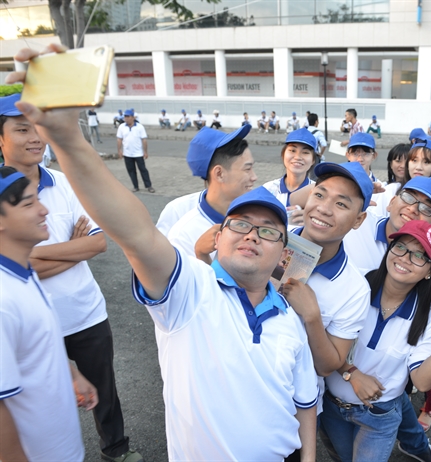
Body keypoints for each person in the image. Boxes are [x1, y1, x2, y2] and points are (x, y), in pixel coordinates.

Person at [10, 43, 319, 459]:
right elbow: (134, 232)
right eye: (240, 224)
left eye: (268, 231)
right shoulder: (193, 291)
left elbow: (304, 408)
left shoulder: (289, 321)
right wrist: (67, 138)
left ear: (284, 253)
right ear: (218, 235)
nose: (251, 235)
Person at [320, 219, 431, 462]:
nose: (405, 258)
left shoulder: (428, 319)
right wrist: (351, 373)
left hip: (379, 415)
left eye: (419, 255)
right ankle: (419, 447)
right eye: (401, 247)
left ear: (429, 272)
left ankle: (418, 447)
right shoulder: (353, 286)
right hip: (331, 405)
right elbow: (317, 338)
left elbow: (422, 381)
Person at [0, 166, 98, 462]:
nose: (44, 210)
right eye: (29, 204)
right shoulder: (3, 297)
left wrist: (71, 373)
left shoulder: (23, 272)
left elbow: (35, 343)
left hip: (61, 447)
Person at [280, 161, 374, 461]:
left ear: (358, 220)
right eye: (319, 195)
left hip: (292, 408)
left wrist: (312, 317)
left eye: (341, 203)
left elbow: (326, 365)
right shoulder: (269, 240)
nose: (323, 208)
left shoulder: (354, 288)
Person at [168, 125, 256, 260]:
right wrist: (202, 255)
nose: (254, 177)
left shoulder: (256, 214)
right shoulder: (184, 235)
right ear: (219, 174)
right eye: (247, 169)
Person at [345, 176, 431, 275]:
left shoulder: (426, 262)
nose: (412, 209)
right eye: (408, 197)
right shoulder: (356, 223)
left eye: (426, 209)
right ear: (391, 202)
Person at [263, 128, 316, 226]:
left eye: (305, 152)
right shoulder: (268, 190)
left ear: (313, 160)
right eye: (292, 150)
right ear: (283, 155)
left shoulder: (318, 194)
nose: (298, 157)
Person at [117, 109, 154, 193]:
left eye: (128, 117)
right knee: (131, 170)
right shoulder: (122, 127)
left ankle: (148, 186)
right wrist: (119, 150)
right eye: (125, 117)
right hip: (127, 153)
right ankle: (135, 186)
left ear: (133, 117)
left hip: (138, 153)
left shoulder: (139, 127)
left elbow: (144, 140)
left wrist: (145, 151)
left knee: (143, 170)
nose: (126, 118)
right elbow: (119, 139)